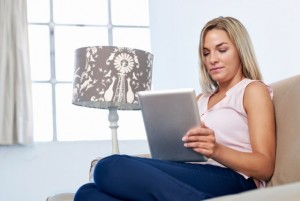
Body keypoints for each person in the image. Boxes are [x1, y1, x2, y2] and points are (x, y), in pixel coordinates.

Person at [74, 16, 276, 201]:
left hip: (234, 180)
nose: (212, 59)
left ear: (240, 50)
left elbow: (265, 167)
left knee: (108, 166)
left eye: (221, 50)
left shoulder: (251, 90)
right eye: (206, 53)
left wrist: (216, 150)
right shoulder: (200, 99)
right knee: (86, 193)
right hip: (191, 176)